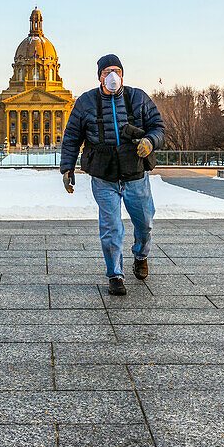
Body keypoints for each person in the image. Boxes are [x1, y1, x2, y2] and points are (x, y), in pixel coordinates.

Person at [60, 54, 165, 296]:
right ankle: (115, 274)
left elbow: (158, 128)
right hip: (103, 175)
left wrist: (150, 141)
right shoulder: (85, 102)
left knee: (145, 223)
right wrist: (67, 168)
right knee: (111, 226)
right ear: (99, 76)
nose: (112, 76)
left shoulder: (138, 98)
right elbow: (72, 137)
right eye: (107, 71)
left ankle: (140, 254)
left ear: (122, 74)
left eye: (116, 70)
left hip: (135, 173)